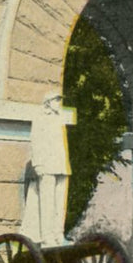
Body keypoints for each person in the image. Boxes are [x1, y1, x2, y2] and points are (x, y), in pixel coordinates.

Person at [20, 94, 76, 247]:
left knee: (60, 203)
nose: (59, 102)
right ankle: (47, 237)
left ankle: (59, 234)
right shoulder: (40, 118)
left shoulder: (60, 118)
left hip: (61, 165)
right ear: (48, 102)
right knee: (47, 202)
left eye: (60, 100)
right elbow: (35, 141)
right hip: (47, 165)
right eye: (56, 100)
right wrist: (38, 164)